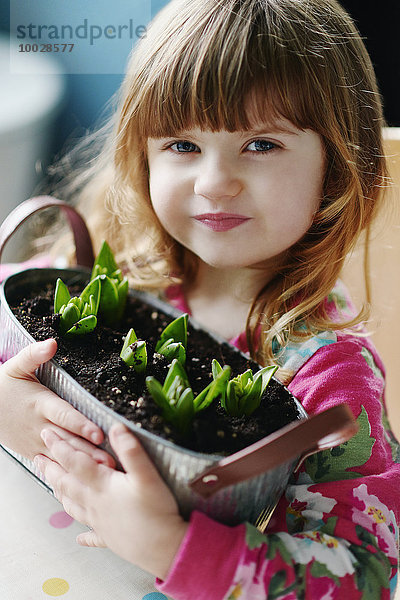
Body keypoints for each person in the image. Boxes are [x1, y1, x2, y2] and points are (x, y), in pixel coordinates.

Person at [1, 0, 399, 597]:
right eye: (183, 145)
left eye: (262, 144)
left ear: (339, 169)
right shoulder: (120, 275)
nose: (214, 182)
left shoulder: (328, 382)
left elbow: (362, 573)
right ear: (144, 156)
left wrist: (167, 544)